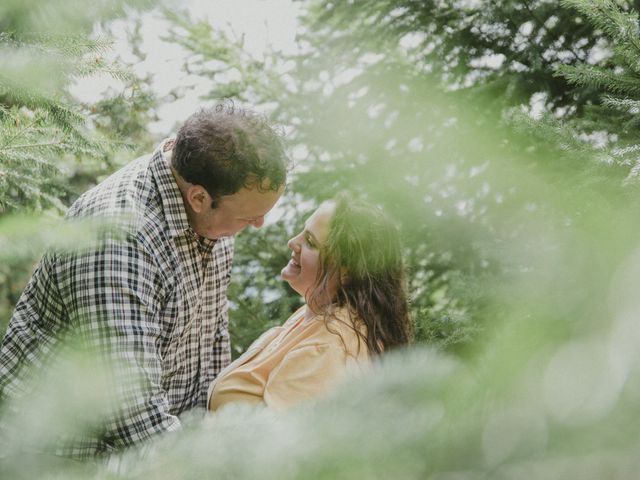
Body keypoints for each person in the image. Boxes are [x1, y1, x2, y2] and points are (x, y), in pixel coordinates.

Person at [0, 104, 288, 457]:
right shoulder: (117, 238)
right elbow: (131, 409)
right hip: (57, 452)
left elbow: (211, 340)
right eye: (249, 217)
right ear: (198, 197)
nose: (258, 224)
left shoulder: (213, 206)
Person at [208, 194, 413, 411]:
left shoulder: (328, 348)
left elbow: (274, 440)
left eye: (310, 241)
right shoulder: (319, 312)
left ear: (347, 272)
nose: (293, 242)